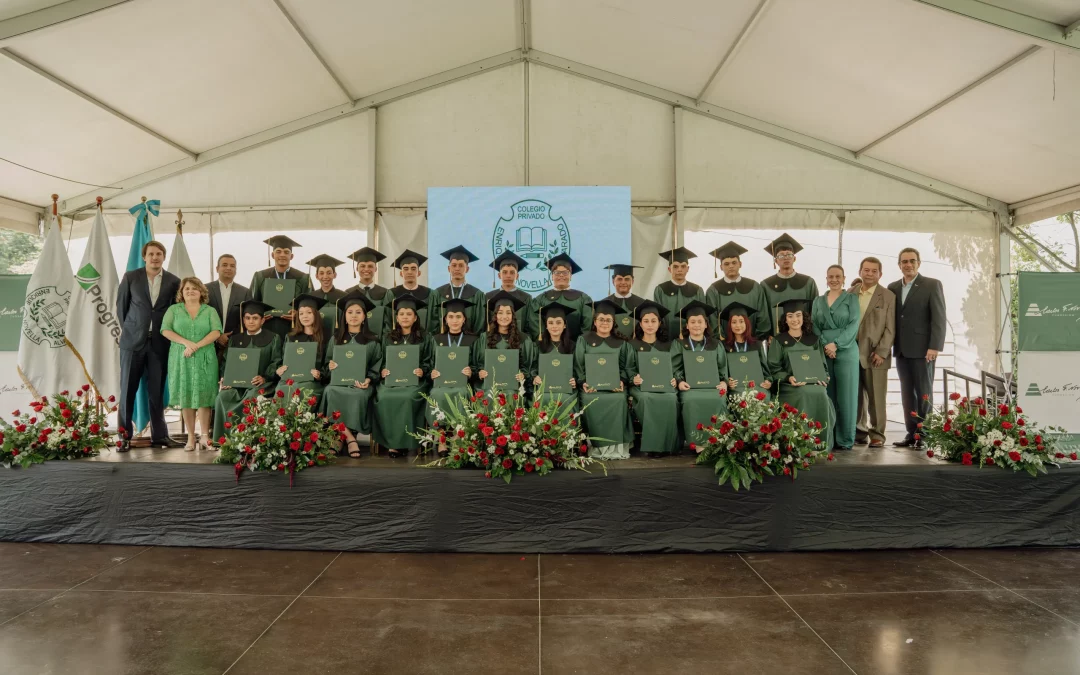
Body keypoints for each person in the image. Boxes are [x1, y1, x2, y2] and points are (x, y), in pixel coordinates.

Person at [116, 240, 183, 451]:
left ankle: (160, 436)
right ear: (144, 256)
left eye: (159, 254)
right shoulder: (130, 277)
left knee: (157, 391)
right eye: (151, 254)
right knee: (128, 390)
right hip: (132, 343)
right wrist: (135, 328)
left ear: (164, 257)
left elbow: (174, 312)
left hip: (160, 343)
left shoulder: (174, 281)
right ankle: (124, 437)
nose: (155, 257)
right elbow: (122, 308)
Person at [887, 248, 946, 448]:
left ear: (919, 263)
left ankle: (925, 433)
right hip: (902, 350)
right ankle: (911, 433)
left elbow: (939, 318)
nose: (908, 265)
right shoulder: (892, 287)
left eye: (912, 261)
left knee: (924, 393)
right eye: (904, 261)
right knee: (907, 394)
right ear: (899, 265)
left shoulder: (931, 284)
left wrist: (935, 346)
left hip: (924, 350)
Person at [160, 277, 222, 451]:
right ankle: (190, 438)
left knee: (204, 396)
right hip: (181, 358)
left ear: (201, 292)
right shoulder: (174, 310)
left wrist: (196, 346)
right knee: (186, 396)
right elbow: (165, 330)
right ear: (182, 292)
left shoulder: (209, 311)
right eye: (186, 288)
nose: (190, 291)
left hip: (205, 358)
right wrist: (187, 343)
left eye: (194, 288)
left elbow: (217, 331)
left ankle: (204, 437)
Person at [767, 299, 836, 450]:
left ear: (804, 317)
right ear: (785, 319)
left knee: (822, 394)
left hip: (813, 383)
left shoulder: (813, 340)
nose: (794, 319)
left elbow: (822, 364)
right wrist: (788, 377)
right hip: (790, 386)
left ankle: (819, 444)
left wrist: (824, 377)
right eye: (790, 316)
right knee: (804, 392)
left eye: (798, 315)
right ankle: (799, 443)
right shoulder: (779, 341)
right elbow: (773, 368)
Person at [323, 290, 383, 459]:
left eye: (358, 312)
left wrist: (368, 380)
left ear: (365, 316)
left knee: (358, 394)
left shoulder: (372, 340)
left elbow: (376, 366)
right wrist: (331, 365)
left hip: (361, 384)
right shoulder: (335, 339)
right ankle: (349, 438)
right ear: (344, 316)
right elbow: (327, 365)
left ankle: (341, 438)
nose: (354, 316)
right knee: (330, 391)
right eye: (350, 312)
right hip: (338, 383)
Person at [212, 300, 281, 445]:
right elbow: (226, 361)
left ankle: (247, 441)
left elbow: (277, 361)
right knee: (222, 397)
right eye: (247, 318)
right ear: (243, 320)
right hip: (237, 384)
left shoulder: (273, 338)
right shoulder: (235, 340)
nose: (251, 321)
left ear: (262, 320)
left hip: (261, 384)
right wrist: (225, 378)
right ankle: (224, 441)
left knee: (252, 397)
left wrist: (264, 377)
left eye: (255, 318)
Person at [374, 293, 434, 458]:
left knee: (408, 397)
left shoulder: (425, 337)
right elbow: (382, 361)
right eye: (402, 314)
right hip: (391, 381)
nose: (405, 317)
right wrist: (383, 370)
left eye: (409, 314)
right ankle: (393, 443)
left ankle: (407, 442)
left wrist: (423, 370)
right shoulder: (388, 338)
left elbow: (429, 361)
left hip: (416, 382)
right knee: (385, 396)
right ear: (397, 317)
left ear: (415, 317)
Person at [575, 299, 633, 459]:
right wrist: (583, 382)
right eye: (601, 319)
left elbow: (627, 367)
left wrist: (621, 381)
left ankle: (616, 449)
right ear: (595, 321)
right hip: (591, 388)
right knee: (589, 399)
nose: (604, 322)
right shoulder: (584, 340)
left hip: (615, 388)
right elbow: (579, 365)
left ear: (613, 322)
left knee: (620, 399)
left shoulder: (622, 343)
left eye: (608, 320)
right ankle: (596, 447)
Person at [813, 266, 860, 451]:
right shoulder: (818, 300)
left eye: (837, 276)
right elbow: (814, 325)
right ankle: (828, 438)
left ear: (844, 278)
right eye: (830, 276)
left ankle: (846, 439)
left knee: (847, 397)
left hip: (846, 349)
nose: (834, 279)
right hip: (823, 351)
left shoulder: (851, 299)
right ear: (826, 278)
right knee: (827, 395)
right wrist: (825, 344)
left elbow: (854, 323)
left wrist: (836, 344)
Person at [627, 300, 681, 455]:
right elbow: (628, 368)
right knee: (645, 398)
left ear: (659, 323)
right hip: (641, 387)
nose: (650, 325)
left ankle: (668, 445)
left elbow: (676, 367)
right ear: (640, 324)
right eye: (646, 321)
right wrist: (633, 379)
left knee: (671, 398)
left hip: (665, 385)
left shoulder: (669, 345)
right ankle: (654, 447)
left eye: (653, 321)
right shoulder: (632, 345)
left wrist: (674, 379)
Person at [852, 257, 895, 448]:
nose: (869, 274)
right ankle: (859, 432)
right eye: (866, 270)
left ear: (880, 274)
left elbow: (891, 328)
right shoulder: (850, 293)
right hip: (852, 354)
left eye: (874, 271)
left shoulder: (887, 296)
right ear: (860, 271)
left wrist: (882, 351)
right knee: (856, 397)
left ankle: (877, 434)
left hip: (875, 355)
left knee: (876, 397)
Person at [674, 299, 729, 448]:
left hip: (713, 386)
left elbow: (722, 366)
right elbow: (675, 367)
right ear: (687, 325)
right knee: (690, 400)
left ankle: (718, 441)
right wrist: (680, 381)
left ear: (706, 324)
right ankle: (696, 444)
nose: (696, 325)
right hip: (690, 387)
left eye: (700, 321)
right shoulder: (679, 344)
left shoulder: (716, 344)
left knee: (719, 399)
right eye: (692, 322)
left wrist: (724, 381)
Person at [428, 297, 481, 430]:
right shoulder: (436, 339)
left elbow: (478, 364)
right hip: (441, 384)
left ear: (464, 319)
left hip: (463, 384)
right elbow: (430, 362)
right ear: (445, 319)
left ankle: (459, 434)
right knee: (436, 394)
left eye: (458, 316)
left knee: (462, 393)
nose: (454, 320)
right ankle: (441, 437)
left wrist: (471, 372)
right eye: (451, 317)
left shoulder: (473, 340)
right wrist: (432, 372)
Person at [248, 236, 312, 339]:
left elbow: (309, 305)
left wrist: (298, 313)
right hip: (266, 328)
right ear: (273, 255)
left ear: (292, 256)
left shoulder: (303, 278)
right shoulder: (260, 276)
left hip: (294, 328)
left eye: (286, 252)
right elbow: (252, 302)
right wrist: (259, 314)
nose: (282, 255)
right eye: (278, 251)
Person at [274, 294, 330, 409]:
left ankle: (301, 425)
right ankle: (281, 425)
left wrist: (320, 375)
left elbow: (327, 363)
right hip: (290, 379)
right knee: (283, 388)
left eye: (309, 312)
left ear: (316, 314)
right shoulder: (290, 337)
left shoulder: (325, 337)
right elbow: (284, 360)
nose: (305, 316)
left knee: (304, 389)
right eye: (301, 313)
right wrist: (280, 369)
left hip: (312, 381)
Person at [705, 242, 771, 339]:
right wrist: (723, 341)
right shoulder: (713, 290)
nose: (731, 266)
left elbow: (763, 316)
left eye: (734, 262)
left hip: (752, 342)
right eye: (726, 264)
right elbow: (713, 320)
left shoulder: (755, 287)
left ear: (740, 264)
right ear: (721, 267)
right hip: (725, 345)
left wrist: (755, 339)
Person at [476, 291, 535, 395]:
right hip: (490, 384)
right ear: (495, 315)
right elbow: (479, 363)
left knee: (510, 394)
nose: (504, 316)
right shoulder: (484, 337)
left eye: (508, 312)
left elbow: (527, 366)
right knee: (489, 394)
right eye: (500, 312)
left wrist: (523, 374)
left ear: (513, 315)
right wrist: (480, 372)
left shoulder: (524, 339)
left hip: (513, 385)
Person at [762, 234, 820, 337]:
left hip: (804, 337)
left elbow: (815, 311)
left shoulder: (808, 282)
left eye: (789, 254)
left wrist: (811, 334)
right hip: (776, 338)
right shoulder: (766, 285)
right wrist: (767, 335)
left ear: (794, 258)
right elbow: (764, 314)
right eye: (781, 255)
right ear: (776, 260)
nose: (786, 258)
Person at [526, 254, 593, 341]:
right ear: (552, 276)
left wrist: (580, 344)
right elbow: (534, 323)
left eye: (565, 272)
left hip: (575, 348)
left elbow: (588, 325)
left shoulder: (583, 299)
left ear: (571, 276)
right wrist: (546, 343)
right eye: (557, 272)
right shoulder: (540, 299)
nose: (561, 275)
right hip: (547, 349)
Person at [720, 302, 772, 399]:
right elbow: (722, 369)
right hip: (736, 388)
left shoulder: (757, 345)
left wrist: (768, 381)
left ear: (747, 323)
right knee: (740, 397)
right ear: (729, 325)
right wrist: (727, 381)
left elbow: (765, 369)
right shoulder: (723, 346)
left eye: (741, 321)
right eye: (734, 322)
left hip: (757, 386)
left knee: (763, 397)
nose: (738, 325)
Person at [652, 247, 705, 340]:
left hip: (693, 339)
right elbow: (657, 316)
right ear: (669, 269)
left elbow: (702, 317)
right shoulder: (660, 290)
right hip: (666, 338)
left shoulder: (697, 290)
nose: (679, 270)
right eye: (675, 266)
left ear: (688, 269)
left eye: (683, 266)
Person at [387, 249, 439, 339]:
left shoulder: (430, 294)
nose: (410, 272)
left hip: (423, 341)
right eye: (406, 269)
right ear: (401, 273)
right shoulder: (392, 294)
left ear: (419, 273)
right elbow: (387, 320)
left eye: (413, 268)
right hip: (397, 340)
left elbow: (434, 321)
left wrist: (427, 340)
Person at [434, 246, 486, 334]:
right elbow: (433, 323)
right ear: (448, 268)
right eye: (454, 265)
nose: (457, 269)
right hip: (443, 344)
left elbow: (479, 325)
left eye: (461, 265)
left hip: (469, 343)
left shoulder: (477, 295)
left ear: (467, 269)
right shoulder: (437, 293)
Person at [208, 253, 251, 361]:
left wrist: (230, 337)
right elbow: (201, 316)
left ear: (236, 270)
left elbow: (245, 318)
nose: (228, 268)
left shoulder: (245, 292)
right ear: (217, 268)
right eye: (225, 265)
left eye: (232, 266)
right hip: (208, 343)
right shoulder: (205, 289)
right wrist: (217, 335)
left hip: (234, 343)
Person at [533, 303, 578, 405]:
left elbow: (577, 368)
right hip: (544, 389)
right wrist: (535, 377)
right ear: (546, 325)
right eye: (551, 323)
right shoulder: (538, 345)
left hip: (566, 389)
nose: (554, 326)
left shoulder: (572, 346)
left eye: (558, 322)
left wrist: (574, 380)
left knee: (565, 399)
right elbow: (533, 367)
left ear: (564, 325)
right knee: (542, 398)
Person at [344, 247, 392, 340]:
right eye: (362, 266)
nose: (366, 269)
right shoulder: (348, 293)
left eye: (370, 266)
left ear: (375, 269)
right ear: (357, 268)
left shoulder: (385, 293)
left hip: (378, 339)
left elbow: (388, 322)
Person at [485, 250, 531, 332]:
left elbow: (529, 326)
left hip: (519, 342)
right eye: (505, 272)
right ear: (499, 275)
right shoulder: (489, 297)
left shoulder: (526, 298)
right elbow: (485, 324)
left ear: (517, 276)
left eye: (512, 273)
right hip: (494, 341)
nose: (508, 276)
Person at [306, 254, 346, 339]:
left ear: (334, 275)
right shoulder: (311, 297)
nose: (325, 277)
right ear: (316, 276)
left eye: (329, 273)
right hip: (315, 339)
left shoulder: (343, 296)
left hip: (337, 339)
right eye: (321, 273)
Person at [602, 263, 645, 339]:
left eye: (627, 279)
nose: (623, 282)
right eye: (619, 279)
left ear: (633, 281)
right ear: (613, 281)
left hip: (636, 346)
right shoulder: (605, 303)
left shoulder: (642, 303)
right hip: (613, 347)